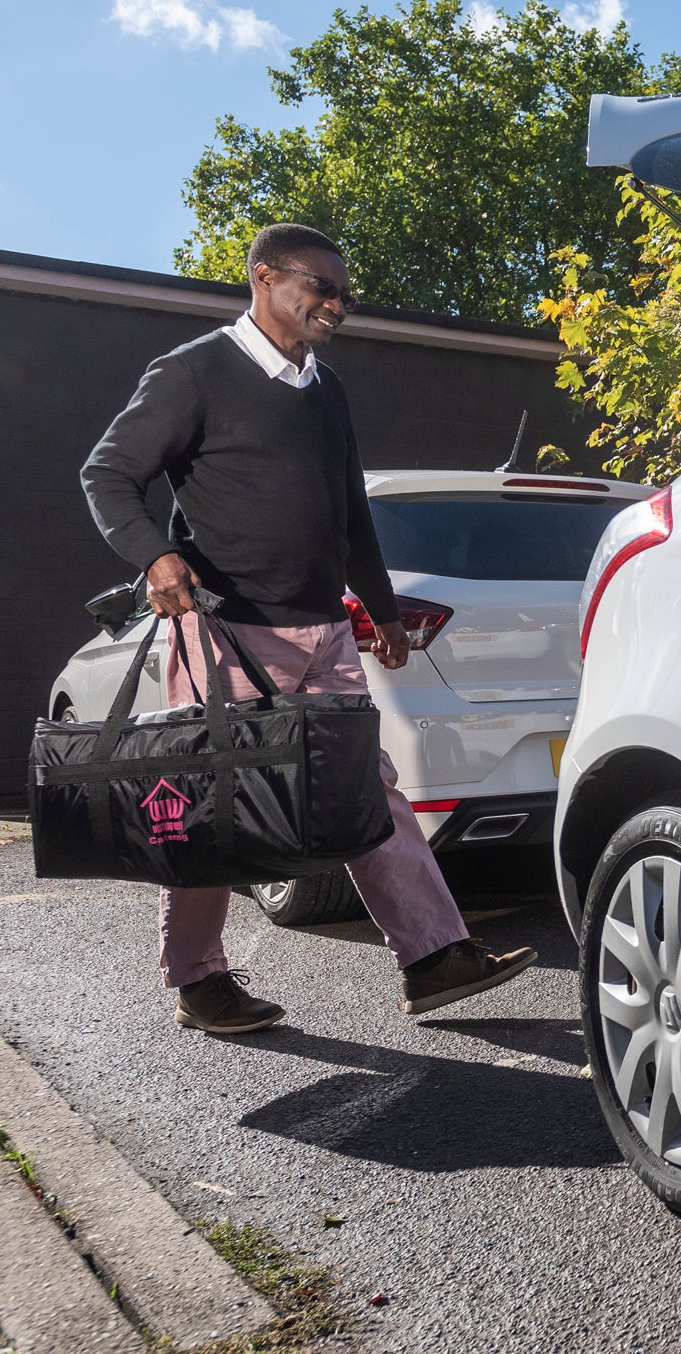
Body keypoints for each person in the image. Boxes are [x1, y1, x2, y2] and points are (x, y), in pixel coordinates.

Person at [80, 223, 535, 1034]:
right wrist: (156, 556)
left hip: (325, 628)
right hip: (227, 629)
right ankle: (198, 979)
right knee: (213, 799)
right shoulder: (194, 371)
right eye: (321, 287)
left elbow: (351, 511)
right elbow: (107, 474)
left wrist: (382, 609)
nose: (337, 304)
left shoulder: (327, 389)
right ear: (264, 277)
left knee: (366, 789)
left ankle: (433, 956)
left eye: (344, 293)